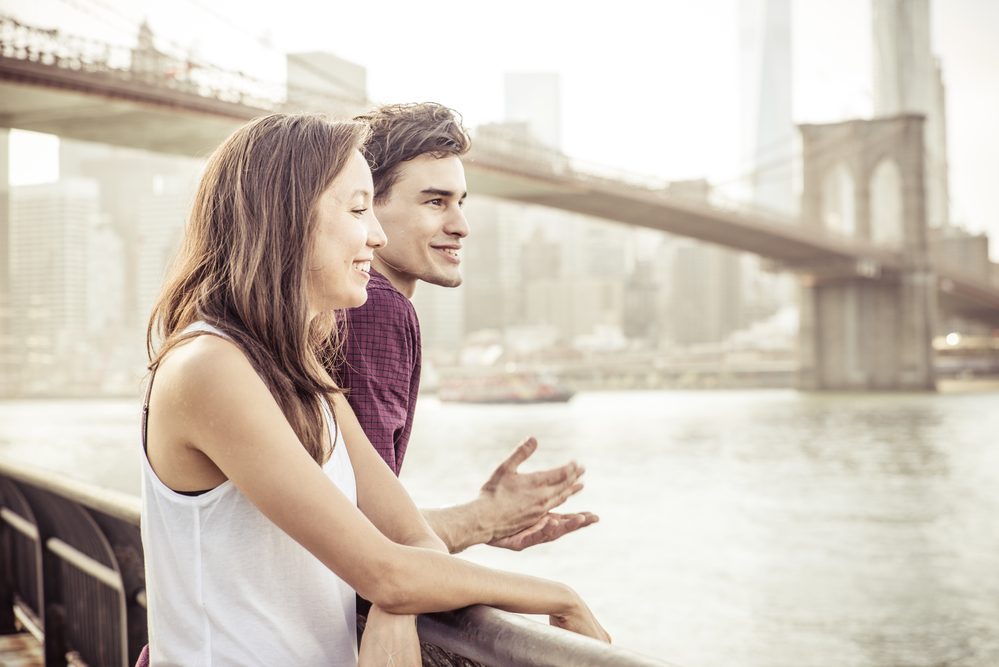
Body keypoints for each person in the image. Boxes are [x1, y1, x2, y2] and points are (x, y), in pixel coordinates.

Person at [140, 113, 608, 666]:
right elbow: (385, 568)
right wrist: (560, 596)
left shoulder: (306, 373)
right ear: (287, 217)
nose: (377, 235)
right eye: (359, 209)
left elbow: (409, 545)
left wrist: (399, 599)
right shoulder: (209, 366)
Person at [339, 103, 598, 553]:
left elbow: (340, 510)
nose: (461, 226)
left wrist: (483, 522)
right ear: (366, 206)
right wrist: (483, 519)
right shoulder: (376, 306)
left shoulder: (349, 304)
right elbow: (369, 536)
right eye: (435, 201)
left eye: (460, 203)